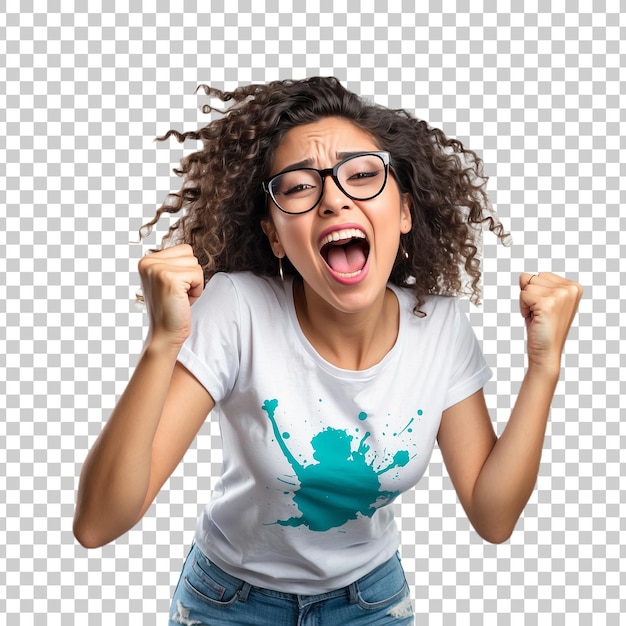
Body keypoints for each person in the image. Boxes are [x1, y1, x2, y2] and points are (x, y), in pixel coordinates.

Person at [73, 77, 582, 625]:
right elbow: (99, 524)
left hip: (370, 602)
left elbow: (493, 516)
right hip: (230, 602)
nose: (334, 198)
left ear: (405, 213)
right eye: (297, 187)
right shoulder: (238, 309)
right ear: (274, 236)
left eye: (362, 175)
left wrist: (544, 367)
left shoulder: (438, 325)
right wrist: (161, 344)